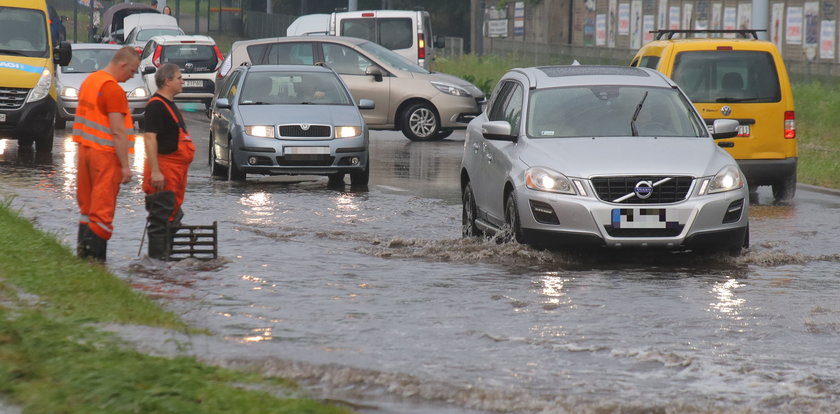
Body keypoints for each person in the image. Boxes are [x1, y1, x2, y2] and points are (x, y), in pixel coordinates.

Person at [72, 46, 140, 261]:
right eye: (132, 70)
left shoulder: (91, 81)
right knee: (102, 210)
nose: (133, 76)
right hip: (105, 156)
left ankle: (82, 256)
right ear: (122, 65)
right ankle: (95, 263)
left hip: (85, 151)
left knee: (87, 206)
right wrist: (125, 166)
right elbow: (118, 131)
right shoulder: (112, 89)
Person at [142, 63, 196, 260]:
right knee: (160, 221)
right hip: (163, 173)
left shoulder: (168, 104)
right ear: (167, 81)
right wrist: (156, 172)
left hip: (174, 174)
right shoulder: (156, 106)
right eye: (179, 77)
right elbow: (149, 138)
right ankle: (157, 266)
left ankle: (165, 260)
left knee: (174, 217)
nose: (183, 81)